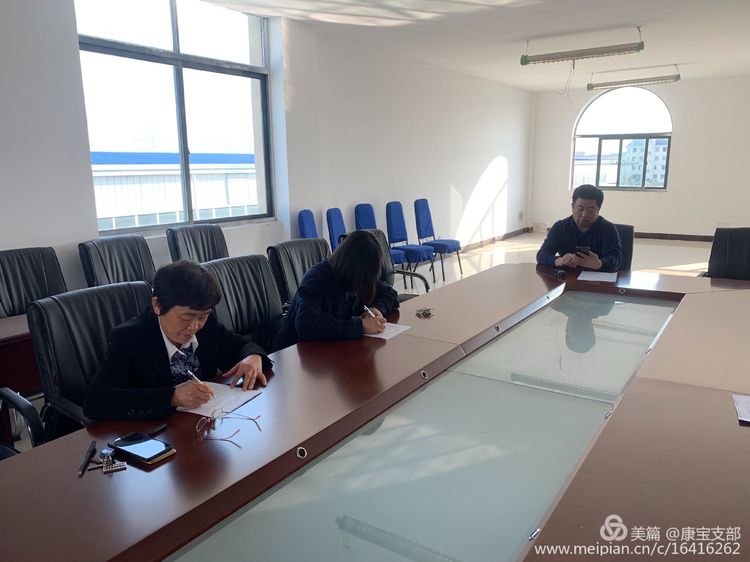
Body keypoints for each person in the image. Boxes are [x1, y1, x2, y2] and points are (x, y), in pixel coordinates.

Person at [84, 261, 272, 420]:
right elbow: (96, 401)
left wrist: (253, 357)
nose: (195, 326)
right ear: (157, 305)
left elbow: (242, 347)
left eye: (203, 316)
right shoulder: (130, 338)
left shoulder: (206, 324)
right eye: (186, 317)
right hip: (158, 433)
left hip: (205, 424)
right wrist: (171, 397)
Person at [273, 230, 400, 350]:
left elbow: (391, 294)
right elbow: (306, 325)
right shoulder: (317, 278)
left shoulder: (360, 276)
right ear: (354, 268)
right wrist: (360, 326)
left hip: (333, 349)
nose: (367, 281)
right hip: (295, 354)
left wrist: (376, 308)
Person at [536, 184, 622, 272]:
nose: (584, 215)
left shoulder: (608, 229)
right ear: (572, 206)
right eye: (580, 209)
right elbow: (542, 254)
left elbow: (616, 259)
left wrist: (598, 263)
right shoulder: (560, 227)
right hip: (568, 276)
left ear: (598, 209)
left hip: (598, 277)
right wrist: (558, 260)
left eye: (590, 210)